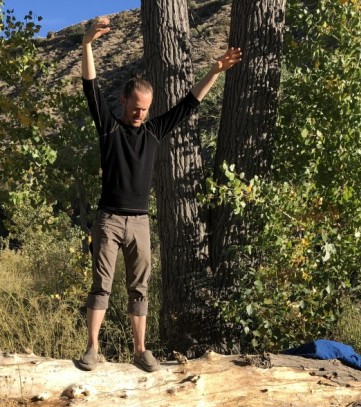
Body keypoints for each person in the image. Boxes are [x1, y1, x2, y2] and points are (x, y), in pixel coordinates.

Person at [78, 16, 241, 372]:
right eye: (136, 107)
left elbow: (188, 104)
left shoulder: (153, 131)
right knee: (101, 285)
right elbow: (90, 88)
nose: (140, 114)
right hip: (108, 219)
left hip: (139, 222)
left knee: (140, 289)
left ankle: (140, 350)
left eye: (146, 109)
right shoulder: (109, 129)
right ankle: (92, 348)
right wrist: (88, 44)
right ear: (123, 101)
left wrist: (215, 70)